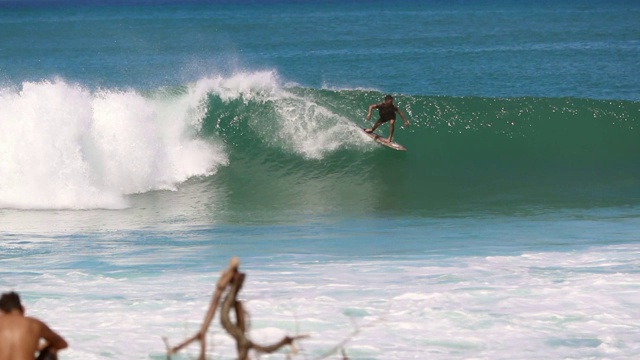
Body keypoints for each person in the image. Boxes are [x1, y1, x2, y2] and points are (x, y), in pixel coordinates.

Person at [0, 292, 68, 360]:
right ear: (22, 309)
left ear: (1, 310)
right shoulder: (34, 323)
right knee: (52, 348)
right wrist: (37, 346)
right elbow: (62, 344)